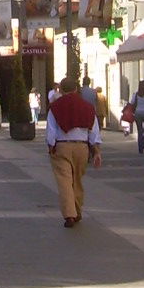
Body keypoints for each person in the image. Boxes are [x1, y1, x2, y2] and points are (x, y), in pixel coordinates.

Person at [45, 76, 102, 227]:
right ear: (76, 89)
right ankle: (77, 209)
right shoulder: (87, 107)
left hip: (62, 146)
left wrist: (51, 146)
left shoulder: (55, 107)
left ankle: (70, 214)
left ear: (61, 90)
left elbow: (51, 130)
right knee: (77, 179)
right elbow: (94, 130)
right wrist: (96, 150)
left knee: (64, 181)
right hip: (82, 147)